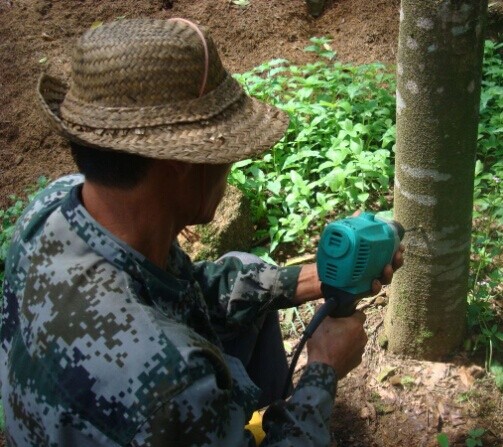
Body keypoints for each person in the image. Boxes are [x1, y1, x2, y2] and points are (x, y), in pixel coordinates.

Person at [0, 18, 403, 446]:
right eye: (226, 151)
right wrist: (322, 372)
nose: (229, 168)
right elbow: (161, 367)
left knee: (247, 272)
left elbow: (179, 291)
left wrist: (312, 279)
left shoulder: (56, 206)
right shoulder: (171, 380)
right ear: (184, 165)